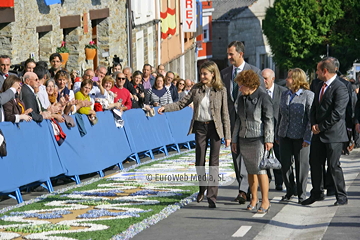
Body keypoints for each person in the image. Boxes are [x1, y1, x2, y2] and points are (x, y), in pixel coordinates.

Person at [158, 61, 231, 208]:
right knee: (200, 160)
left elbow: (225, 114)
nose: (202, 76)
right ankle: (202, 188)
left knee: (214, 162)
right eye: (201, 73)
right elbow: (181, 103)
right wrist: (166, 107)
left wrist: (227, 135)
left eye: (205, 74)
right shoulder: (196, 89)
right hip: (200, 127)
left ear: (213, 74)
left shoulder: (221, 90)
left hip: (215, 128)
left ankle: (212, 196)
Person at [221, 40, 265, 204]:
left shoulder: (254, 71)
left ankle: (244, 191)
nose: (229, 57)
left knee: (248, 158)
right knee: (236, 157)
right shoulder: (225, 73)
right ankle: (244, 187)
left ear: (241, 54)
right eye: (228, 54)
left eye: (231, 54)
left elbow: (261, 96)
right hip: (231, 122)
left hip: (249, 123)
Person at [302, 57, 349, 206]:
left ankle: (341, 196)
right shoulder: (318, 85)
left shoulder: (340, 87)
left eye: (317, 70)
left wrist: (321, 126)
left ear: (325, 71)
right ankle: (317, 193)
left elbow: (337, 113)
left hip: (333, 135)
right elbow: (314, 107)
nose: (316, 73)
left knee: (334, 165)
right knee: (315, 163)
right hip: (318, 133)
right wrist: (314, 124)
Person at [231, 69, 273, 213]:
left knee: (260, 170)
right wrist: (235, 139)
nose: (240, 88)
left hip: (259, 139)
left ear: (250, 84)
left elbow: (268, 119)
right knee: (250, 171)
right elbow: (238, 120)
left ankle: (265, 201)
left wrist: (269, 139)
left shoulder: (263, 96)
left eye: (242, 85)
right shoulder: (242, 98)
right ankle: (254, 198)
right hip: (244, 139)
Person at [277, 68, 314, 204]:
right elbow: (280, 115)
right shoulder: (284, 94)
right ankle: (290, 190)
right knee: (285, 164)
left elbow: (311, 118)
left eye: (289, 77)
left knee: (301, 165)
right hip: (284, 134)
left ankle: (301, 193)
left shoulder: (308, 95)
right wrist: (277, 133)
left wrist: (307, 137)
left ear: (297, 80)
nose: (286, 79)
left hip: (301, 136)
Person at [262, 68, 287, 191]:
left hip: (278, 131)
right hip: (263, 131)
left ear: (273, 78)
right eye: (262, 78)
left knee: (278, 157)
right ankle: (266, 180)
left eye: (265, 78)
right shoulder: (258, 92)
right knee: (264, 158)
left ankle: (279, 182)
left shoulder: (282, 92)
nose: (263, 81)